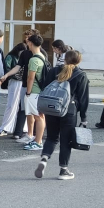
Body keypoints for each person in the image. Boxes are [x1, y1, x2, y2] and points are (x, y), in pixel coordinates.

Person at [34, 50, 89, 181]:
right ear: (79, 61)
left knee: (52, 137)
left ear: (65, 59)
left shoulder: (54, 71)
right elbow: (83, 98)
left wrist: (41, 108)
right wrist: (84, 117)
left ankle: (44, 158)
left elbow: (44, 87)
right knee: (66, 141)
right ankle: (63, 170)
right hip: (69, 109)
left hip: (51, 108)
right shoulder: (81, 74)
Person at [21, 34, 48, 151]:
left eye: (28, 42)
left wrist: (28, 92)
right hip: (41, 91)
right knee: (41, 116)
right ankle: (39, 139)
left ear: (30, 43)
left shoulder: (33, 59)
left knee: (37, 117)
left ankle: (38, 142)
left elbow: (30, 78)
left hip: (34, 92)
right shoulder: (42, 56)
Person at [0, 41, 28, 136]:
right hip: (15, 82)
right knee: (12, 104)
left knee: (23, 105)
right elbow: (7, 68)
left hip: (22, 82)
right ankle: (5, 127)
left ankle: (23, 127)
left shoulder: (21, 56)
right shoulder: (11, 57)